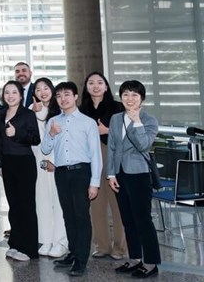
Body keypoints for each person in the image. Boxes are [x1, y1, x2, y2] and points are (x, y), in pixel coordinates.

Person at [41, 81, 102, 277]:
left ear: (75, 96)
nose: (63, 99)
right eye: (59, 96)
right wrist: (51, 134)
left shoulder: (87, 122)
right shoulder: (52, 121)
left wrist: (94, 183)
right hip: (61, 173)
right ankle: (73, 253)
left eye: (67, 94)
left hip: (80, 172)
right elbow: (44, 149)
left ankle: (81, 260)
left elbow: (96, 155)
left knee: (81, 217)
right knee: (68, 215)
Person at [107, 80, 161, 279]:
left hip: (139, 175)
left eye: (134, 95)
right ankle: (135, 258)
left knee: (143, 220)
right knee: (127, 220)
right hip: (120, 174)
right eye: (126, 94)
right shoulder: (115, 119)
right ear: (121, 97)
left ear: (142, 99)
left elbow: (143, 145)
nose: (129, 99)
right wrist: (111, 174)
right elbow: (112, 147)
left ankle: (151, 262)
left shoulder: (149, 120)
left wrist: (136, 121)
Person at [80, 71, 127, 260]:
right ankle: (102, 245)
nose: (95, 86)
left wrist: (106, 131)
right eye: (91, 83)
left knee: (117, 205)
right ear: (86, 87)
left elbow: (126, 134)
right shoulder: (82, 110)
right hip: (90, 158)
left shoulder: (117, 107)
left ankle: (120, 248)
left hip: (111, 155)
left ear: (106, 87)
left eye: (100, 82)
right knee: (96, 204)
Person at [0, 81, 40, 261]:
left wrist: (17, 134)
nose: (10, 96)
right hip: (7, 162)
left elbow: (35, 139)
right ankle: (16, 243)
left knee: (26, 205)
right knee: (13, 206)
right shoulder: (0, 114)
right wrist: (0, 162)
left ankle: (29, 249)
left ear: (21, 95)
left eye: (14, 92)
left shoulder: (28, 114)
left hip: (24, 162)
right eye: (7, 92)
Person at [29, 77, 67, 258]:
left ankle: (61, 242)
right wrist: (33, 113)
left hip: (55, 160)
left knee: (58, 202)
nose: (42, 92)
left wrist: (56, 163)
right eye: (38, 89)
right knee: (42, 201)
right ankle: (46, 239)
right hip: (37, 161)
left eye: (45, 88)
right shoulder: (31, 110)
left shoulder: (60, 111)